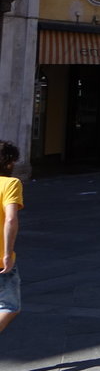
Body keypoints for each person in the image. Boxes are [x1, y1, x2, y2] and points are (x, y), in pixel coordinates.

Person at [0, 141, 23, 335]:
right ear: (8, 163)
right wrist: (7, 254)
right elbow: (10, 219)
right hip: (0, 258)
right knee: (10, 306)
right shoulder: (10, 184)